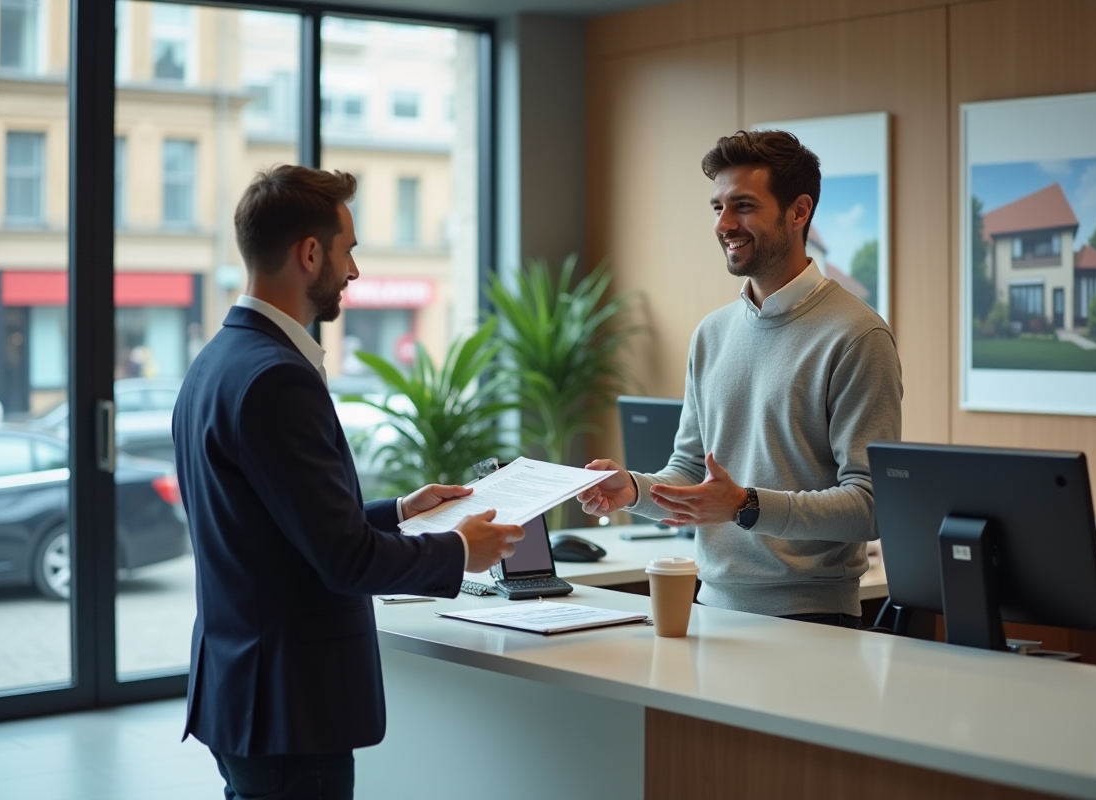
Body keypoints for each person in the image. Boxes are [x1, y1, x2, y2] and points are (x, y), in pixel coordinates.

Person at [172, 165, 524, 799]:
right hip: (289, 704)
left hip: (244, 686)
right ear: (310, 253)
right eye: (348, 250)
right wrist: (462, 549)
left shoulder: (216, 362)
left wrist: (398, 512)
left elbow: (275, 524)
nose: (355, 271)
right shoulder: (278, 377)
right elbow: (342, 561)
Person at [578, 130, 902, 628]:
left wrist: (746, 505)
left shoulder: (857, 336)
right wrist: (634, 490)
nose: (724, 224)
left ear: (798, 212)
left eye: (743, 206)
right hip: (710, 612)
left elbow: (870, 505)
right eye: (717, 207)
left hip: (814, 621)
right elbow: (689, 470)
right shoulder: (712, 333)